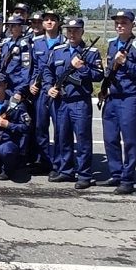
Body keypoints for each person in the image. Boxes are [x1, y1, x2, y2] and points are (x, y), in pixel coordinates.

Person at [43, 18, 103, 189]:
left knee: (83, 139)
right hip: (61, 101)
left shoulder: (91, 52)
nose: (72, 33)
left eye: (76, 30)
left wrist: (81, 68)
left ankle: (84, 174)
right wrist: (49, 87)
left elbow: (99, 75)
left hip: (79, 101)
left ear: (82, 32)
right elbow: (47, 70)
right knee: (63, 137)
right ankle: (66, 170)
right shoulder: (58, 50)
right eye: (69, 30)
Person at [101, 10, 136, 194]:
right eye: (117, 23)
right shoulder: (112, 44)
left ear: (132, 25)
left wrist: (126, 63)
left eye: (124, 22)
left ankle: (127, 179)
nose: (120, 25)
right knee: (110, 139)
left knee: (130, 141)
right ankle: (116, 174)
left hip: (129, 99)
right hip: (112, 98)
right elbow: (109, 70)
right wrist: (103, 90)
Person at [29, 10, 63, 171]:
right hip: (41, 91)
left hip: (58, 90)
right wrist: (31, 84)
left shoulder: (65, 41)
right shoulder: (37, 43)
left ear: (58, 23)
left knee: (59, 128)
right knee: (40, 127)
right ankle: (44, 161)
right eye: (46, 20)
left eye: (53, 20)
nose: (49, 22)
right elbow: (34, 67)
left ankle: (58, 163)